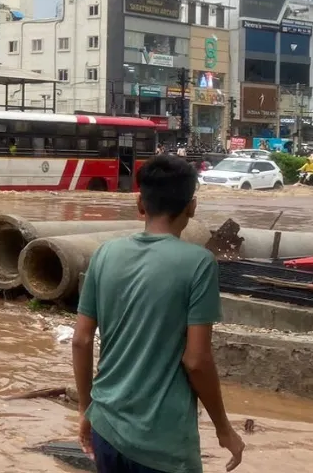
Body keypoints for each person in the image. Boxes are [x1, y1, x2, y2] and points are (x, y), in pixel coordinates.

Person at [72, 154, 244, 473]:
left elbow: (81, 341)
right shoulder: (199, 264)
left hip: (106, 429)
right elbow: (196, 360)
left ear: (140, 203)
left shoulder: (105, 254)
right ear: (191, 207)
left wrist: (86, 409)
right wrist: (223, 429)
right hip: (163, 443)